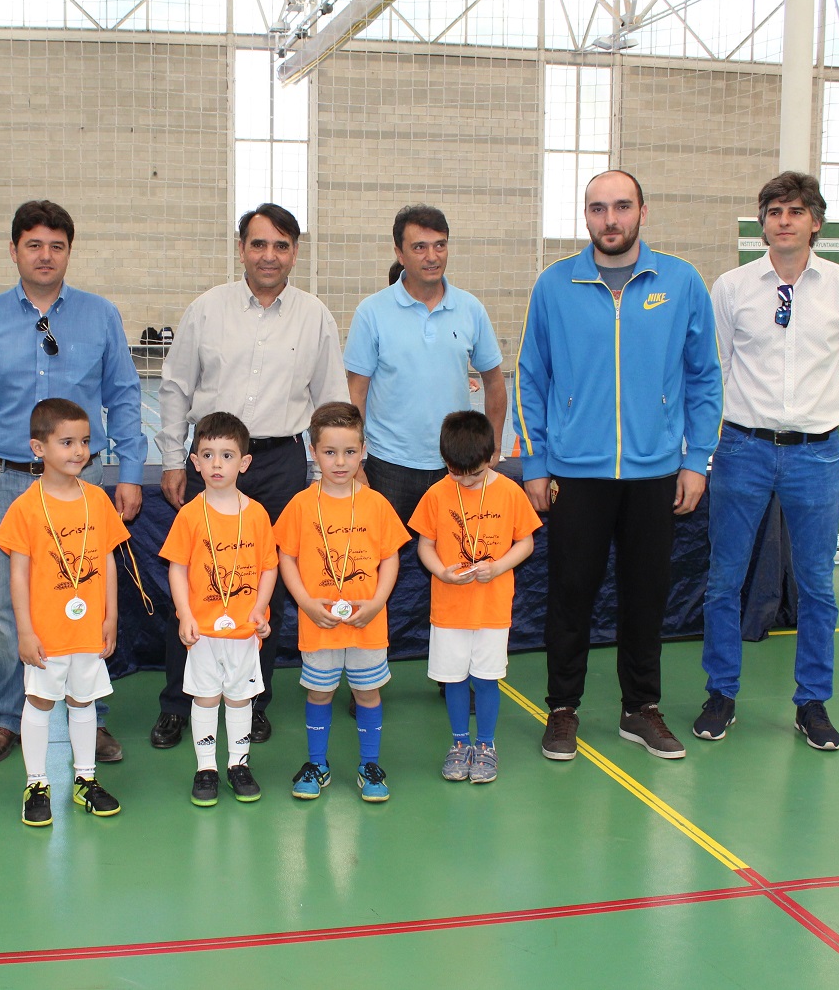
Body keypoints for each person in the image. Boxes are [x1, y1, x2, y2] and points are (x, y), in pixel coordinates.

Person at [514, 169, 723, 763]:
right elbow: (532, 377)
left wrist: (695, 459)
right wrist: (535, 462)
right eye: (598, 208)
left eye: (622, 207)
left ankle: (641, 709)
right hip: (575, 473)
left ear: (642, 212)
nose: (611, 219)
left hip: (656, 473)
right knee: (570, 595)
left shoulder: (680, 282)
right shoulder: (554, 285)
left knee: (646, 596)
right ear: (586, 217)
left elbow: (706, 378)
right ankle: (562, 708)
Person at [0, 200, 145, 767]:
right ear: (14, 251)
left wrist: (128, 471)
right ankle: (8, 718)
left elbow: (124, 395)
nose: (45, 255)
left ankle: (90, 717)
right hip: (5, 483)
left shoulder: (101, 316)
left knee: (85, 597)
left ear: (69, 252)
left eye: (57, 245)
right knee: (9, 608)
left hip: (86, 484)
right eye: (34, 245)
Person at [153, 203, 349, 748]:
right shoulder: (206, 310)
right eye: (259, 244)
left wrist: (331, 472)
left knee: (269, 587)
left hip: (280, 464)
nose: (270, 255)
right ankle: (179, 702)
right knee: (196, 584)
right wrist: (175, 458)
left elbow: (331, 399)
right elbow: (174, 388)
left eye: (282, 245)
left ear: (294, 253)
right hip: (212, 461)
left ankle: (252, 700)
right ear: (241, 247)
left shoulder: (315, 316)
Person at [694, 172, 839, 751]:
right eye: (774, 211)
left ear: (815, 222)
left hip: (816, 456)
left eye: (796, 211)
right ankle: (721, 692)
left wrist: (817, 418)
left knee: (819, 586)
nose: (784, 220)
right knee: (723, 581)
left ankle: (812, 702)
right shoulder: (733, 286)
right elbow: (714, 366)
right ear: (763, 222)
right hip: (742, 451)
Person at [0, 399, 129, 826]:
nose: (78, 451)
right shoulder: (25, 507)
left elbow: (109, 562)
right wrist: (26, 631)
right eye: (66, 442)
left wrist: (110, 616)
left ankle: (85, 780)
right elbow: (16, 577)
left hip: (89, 627)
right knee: (39, 701)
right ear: (39, 447)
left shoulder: (97, 500)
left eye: (85, 442)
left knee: (83, 700)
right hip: (46, 632)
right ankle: (37, 783)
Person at [275, 402, 408, 803]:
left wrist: (378, 601)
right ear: (313, 452)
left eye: (350, 452)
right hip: (320, 623)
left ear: (363, 450)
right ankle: (318, 764)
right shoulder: (301, 505)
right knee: (319, 693)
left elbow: (390, 557)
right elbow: (287, 557)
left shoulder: (376, 503)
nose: (340, 461)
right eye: (330, 452)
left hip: (367, 623)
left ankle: (370, 765)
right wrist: (306, 603)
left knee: (368, 694)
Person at [345, 204, 508, 526]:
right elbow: (356, 393)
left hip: (457, 465)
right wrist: (355, 460)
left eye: (440, 245)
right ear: (399, 253)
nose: (432, 256)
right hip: (388, 465)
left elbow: (494, 381)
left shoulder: (471, 308)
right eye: (419, 247)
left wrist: (494, 449)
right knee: (385, 564)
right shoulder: (371, 312)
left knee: (454, 561)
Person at [409, 411, 540, 784]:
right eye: (456, 473)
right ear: (445, 463)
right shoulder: (436, 494)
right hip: (449, 609)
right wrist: (440, 571)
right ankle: (458, 742)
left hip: (492, 609)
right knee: (453, 680)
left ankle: (485, 745)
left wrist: (499, 567)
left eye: (475, 474)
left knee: (486, 678)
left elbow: (526, 541)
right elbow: (426, 545)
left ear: (492, 457)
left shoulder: (510, 492)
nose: (465, 480)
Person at [159, 412, 278, 806]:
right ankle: (206, 767)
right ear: (194, 462)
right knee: (206, 699)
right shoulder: (191, 515)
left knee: (240, 700)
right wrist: (185, 615)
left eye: (227, 456)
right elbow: (177, 569)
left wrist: (260, 609)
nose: (216, 464)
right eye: (207, 455)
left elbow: (268, 567)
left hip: (243, 632)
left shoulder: (257, 514)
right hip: (205, 634)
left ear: (243, 463)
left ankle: (238, 764)